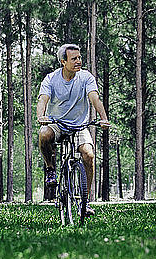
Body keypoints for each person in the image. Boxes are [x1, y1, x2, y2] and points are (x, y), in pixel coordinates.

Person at [37, 43, 110, 212]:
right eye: (74, 59)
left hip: (79, 125)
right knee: (44, 134)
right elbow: (43, 99)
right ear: (63, 62)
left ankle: (85, 201)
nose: (79, 61)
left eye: (79, 58)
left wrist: (103, 118)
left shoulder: (86, 77)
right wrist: (41, 116)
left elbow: (95, 98)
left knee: (88, 155)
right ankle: (50, 169)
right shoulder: (51, 79)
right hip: (57, 123)